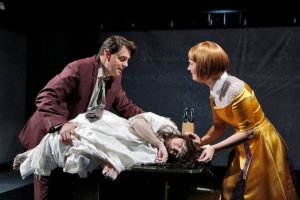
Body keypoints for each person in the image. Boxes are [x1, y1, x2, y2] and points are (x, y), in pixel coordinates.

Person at [18, 35, 144, 200]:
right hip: (48, 137)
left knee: (70, 189)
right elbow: (47, 96)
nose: (126, 64)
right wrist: (61, 125)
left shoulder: (115, 78)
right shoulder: (79, 67)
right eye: (122, 59)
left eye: (127, 60)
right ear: (107, 54)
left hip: (75, 143)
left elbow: (126, 107)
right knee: (47, 193)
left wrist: (156, 123)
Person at [184, 41, 299, 200]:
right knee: (233, 188)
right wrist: (202, 142)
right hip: (244, 143)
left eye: (191, 64)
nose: (188, 68)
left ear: (204, 66)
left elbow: (248, 132)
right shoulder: (214, 90)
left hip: (261, 144)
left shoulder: (236, 89)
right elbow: (219, 126)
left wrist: (214, 148)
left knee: (257, 192)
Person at [14, 111, 197, 181]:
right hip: (121, 130)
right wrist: (159, 144)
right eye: (179, 144)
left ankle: (113, 161)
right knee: (80, 136)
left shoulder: (158, 155)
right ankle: (34, 153)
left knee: (79, 151)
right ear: (179, 136)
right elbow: (137, 123)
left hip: (126, 148)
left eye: (177, 153)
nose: (175, 148)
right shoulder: (166, 125)